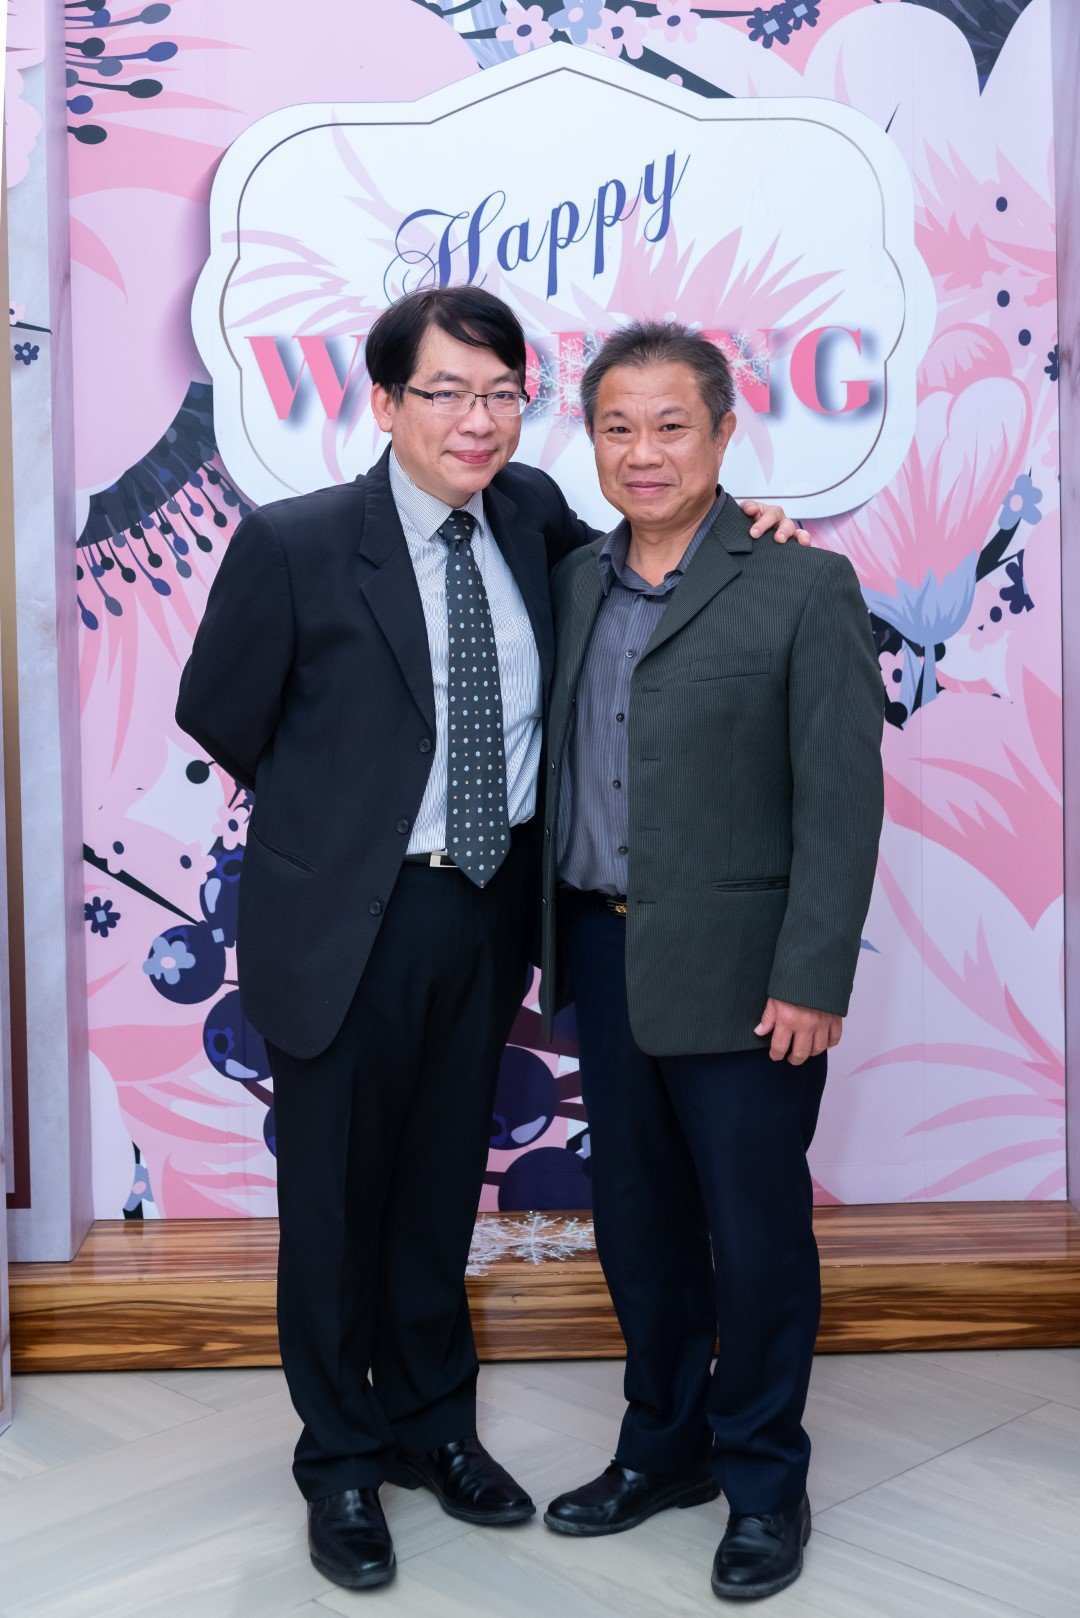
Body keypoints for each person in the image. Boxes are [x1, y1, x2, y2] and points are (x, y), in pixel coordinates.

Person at [175, 288, 805, 1593]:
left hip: (486, 909)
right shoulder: (297, 543)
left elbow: (662, 556)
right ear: (385, 401)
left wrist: (754, 527)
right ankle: (341, 1463)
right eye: (447, 392)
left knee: (435, 1191)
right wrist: (346, 818)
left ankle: (433, 1427)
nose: (478, 419)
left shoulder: (530, 516)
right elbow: (222, 711)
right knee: (334, 1207)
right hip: (345, 919)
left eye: (502, 393)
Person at [539, 321, 884, 1603]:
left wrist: (814, 974)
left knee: (755, 1234)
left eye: (672, 425)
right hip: (604, 949)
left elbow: (841, 799)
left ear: (726, 433)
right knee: (639, 1227)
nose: (645, 451)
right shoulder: (571, 581)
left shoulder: (802, 584)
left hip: (750, 975)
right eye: (618, 426)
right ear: (591, 439)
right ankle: (664, 1447)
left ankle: (766, 1480)